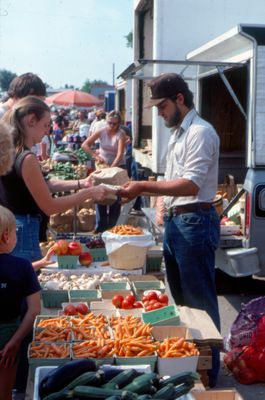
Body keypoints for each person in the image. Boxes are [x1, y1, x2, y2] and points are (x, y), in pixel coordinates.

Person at [118, 73, 221, 387]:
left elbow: (191, 184)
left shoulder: (201, 132)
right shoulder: (180, 132)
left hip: (194, 223)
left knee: (199, 303)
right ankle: (189, 364)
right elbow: (175, 178)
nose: (159, 112)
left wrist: (142, 187)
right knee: (180, 303)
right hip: (179, 222)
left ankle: (208, 371)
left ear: (180, 99)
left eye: (162, 105)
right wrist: (163, 205)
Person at [1, 96, 117, 262]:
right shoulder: (27, 158)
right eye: (46, 125)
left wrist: (82, 183)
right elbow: (50, 206)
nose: (47, 131)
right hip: (23, 232)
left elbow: (43, 185)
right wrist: (88, 193)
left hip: (11, 229)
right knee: (26, 284)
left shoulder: (10, 152)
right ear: (31, 120)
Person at [0, 206, 41, 400]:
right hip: (9, 337)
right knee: (4, 392)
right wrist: (16, 342)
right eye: (16, 232)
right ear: (6, 236)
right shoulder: (22, 266)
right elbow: (34, 310)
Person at [82, 110, 127, 232]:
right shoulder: (101, 131)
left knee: (115, 197)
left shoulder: (120, 135)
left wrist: (112, 168)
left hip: (117, 168)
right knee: (99, 195)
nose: (112, 126)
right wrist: (96, 156)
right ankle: (100, 226)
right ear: (106, 122)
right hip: (102, 167)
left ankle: (112, 226)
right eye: (110, 123)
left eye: (115, 124)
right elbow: (85, 145)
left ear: (119, 124)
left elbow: (119, 154)